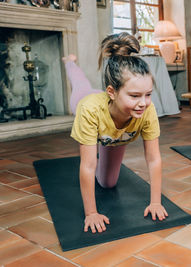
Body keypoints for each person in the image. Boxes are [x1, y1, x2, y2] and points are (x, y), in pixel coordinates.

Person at [63, 32, 168, 234]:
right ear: (111, 92)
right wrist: (91, 213)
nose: (143, 103)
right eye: (135, 95)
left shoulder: (147, 109)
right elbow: (87, 165)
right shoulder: (89, 109)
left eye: (148, 94)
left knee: (108, 183)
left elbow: (154, 159)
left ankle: (106, 142)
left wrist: (156, 202)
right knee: (81, 84)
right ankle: (70, 63)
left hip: (113, 137)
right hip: (85, 100)